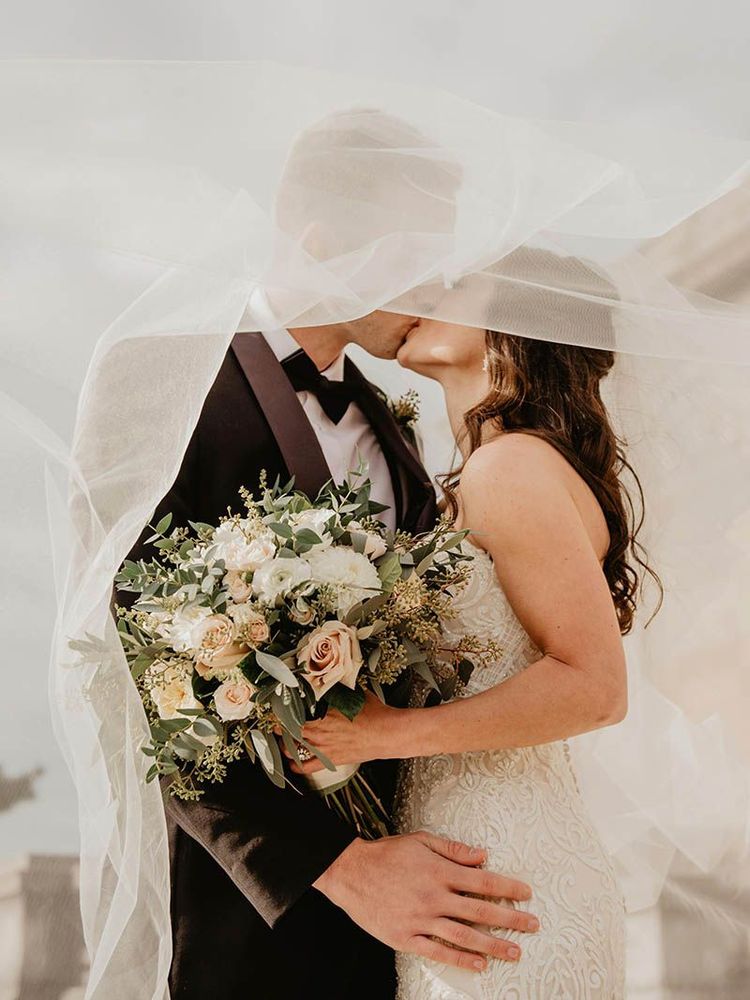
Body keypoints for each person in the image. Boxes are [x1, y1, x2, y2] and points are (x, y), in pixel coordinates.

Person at [126, 107, 540, 999]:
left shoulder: (397, 439)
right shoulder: (157, 379)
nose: (435, 287)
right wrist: (343, 869)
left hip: (430, 912)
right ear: (322, 242)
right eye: (416, 256)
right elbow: (135, 677)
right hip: (257, 923)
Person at [295, 319, 662, 998]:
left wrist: (382, 733)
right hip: (467, 862)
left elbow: (597, 686)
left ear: (512, 326)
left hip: (506, 869)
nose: (423, 293)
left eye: (454, 284)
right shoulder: (492, 467)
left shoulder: (512, 465)